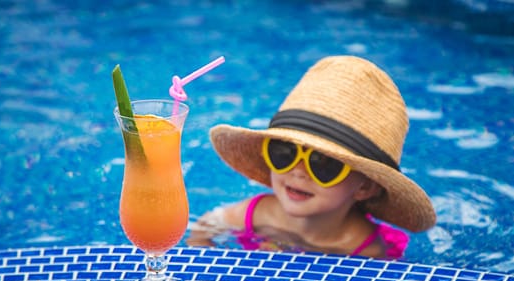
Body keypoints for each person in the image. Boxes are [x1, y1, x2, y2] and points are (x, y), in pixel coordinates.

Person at [187, 55, 436, 259]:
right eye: (284, 153)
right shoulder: (254, 214)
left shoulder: (364, 247)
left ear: (365, 187)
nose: (298, 171)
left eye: (323, 163)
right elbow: (202, 229)